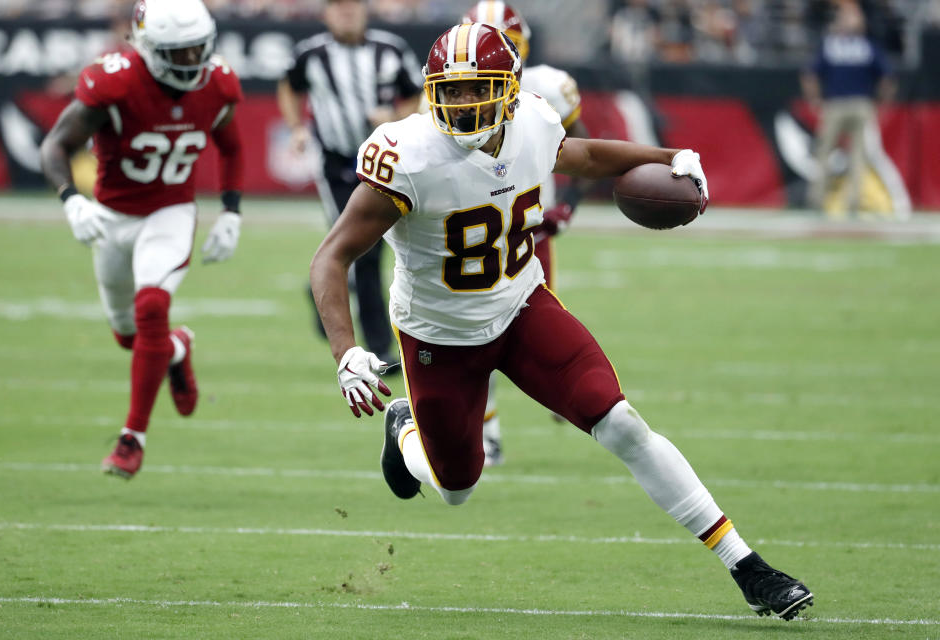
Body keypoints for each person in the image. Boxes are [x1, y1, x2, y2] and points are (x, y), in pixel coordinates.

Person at [309, 23, 814, 620]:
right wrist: (346, 352)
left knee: (622, 423)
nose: (465, 103)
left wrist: (668, 157)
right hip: (440, 336)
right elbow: (331, 257)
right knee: (456, 487)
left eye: (480, 89)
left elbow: (587, 155)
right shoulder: (407, 154)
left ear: (510, 91)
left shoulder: (533, 122)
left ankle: (747, 566)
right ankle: (405, 430)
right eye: (453, 91)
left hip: (522, 304)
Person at [39, 0, 244, 479]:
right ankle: (176, 349)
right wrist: (71, 198)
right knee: (128, 334)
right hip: (112, 217)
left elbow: (231, 147)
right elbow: (56, 144)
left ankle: (133, 438)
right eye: (180, 52)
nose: (193, 62)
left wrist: (231, 211)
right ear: (148, 47)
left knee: (152, 308)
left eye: (199, 49)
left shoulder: (217, 83)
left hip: (170, 212)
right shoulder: (114, 81)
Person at [460, 1, 590, 466]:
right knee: (476, 336)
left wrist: (567, 207)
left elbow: (584, 148)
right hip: (471, 236)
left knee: (541, 335)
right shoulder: (453, 96)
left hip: (529, 233)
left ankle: (569, 388)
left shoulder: (547, 90)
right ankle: (488, 431)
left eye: (506, 45)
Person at [277, 0, 423, 366]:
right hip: (337, 164)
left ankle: (321, 291)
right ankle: (378, 346)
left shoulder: (390, 49)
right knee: (364, 249)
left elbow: (418, 97)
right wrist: (296, 127)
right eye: (338, 6)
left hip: (385, 162)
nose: (346, 13)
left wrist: (392, 115)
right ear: (326, 13)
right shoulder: (310, 54)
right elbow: (288, 87)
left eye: (353, 5)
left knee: (365, 248)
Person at [801, 1, 895, 216]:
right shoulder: (833, 43)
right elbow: (810, 74)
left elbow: (887, 78)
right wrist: (815, 99)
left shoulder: (865, 45)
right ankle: (817, 200)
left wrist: (880, 102)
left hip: (858, 104)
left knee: (857, 155)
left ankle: (851, 202)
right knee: (826, 153)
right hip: (839, 104)